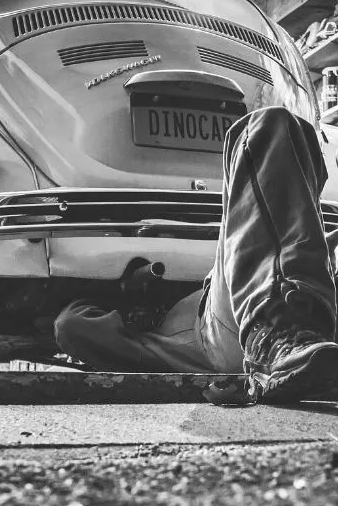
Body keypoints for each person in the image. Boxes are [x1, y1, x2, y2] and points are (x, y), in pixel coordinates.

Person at [54, 106, 338, 403]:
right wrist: (128, 300)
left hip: (300, 320)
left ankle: (284, 337)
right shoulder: (156, 343)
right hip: (237, 333)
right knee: (267, 127)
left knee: (294, 140)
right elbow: (71, 325)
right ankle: (276, 337)